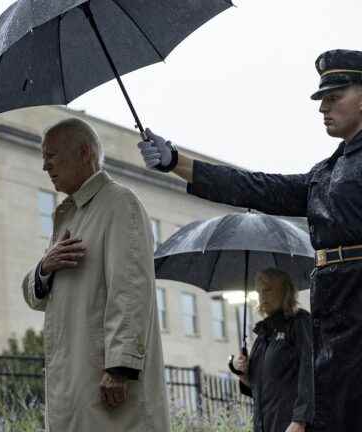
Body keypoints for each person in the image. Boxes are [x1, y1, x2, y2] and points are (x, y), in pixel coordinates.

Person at [136, 49, 362, 431]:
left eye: (335, 97)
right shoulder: (325, 172)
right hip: (334, 302)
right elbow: (258, 187)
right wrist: (177, 161)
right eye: (322, 99)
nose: (323, 107)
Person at [22, 118, 170, 431]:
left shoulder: (119, 204)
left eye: (52, 156)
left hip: (108, 387)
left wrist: (121, 367)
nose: (45, 167)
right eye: (43, 158)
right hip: (75, 385)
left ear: (85, 152)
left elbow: (130, 288)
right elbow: (33, 297)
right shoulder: (68, 216)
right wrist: (44, 268)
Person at [231, 268, 313, 432]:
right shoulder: (263, 333)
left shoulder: (299, 322)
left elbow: (309, 370)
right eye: (259, 291)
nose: (262, 295)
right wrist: (241, 371)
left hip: (291, 425)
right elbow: (257, 387)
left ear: (285, 292)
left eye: (268, 289)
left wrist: (300, 420)